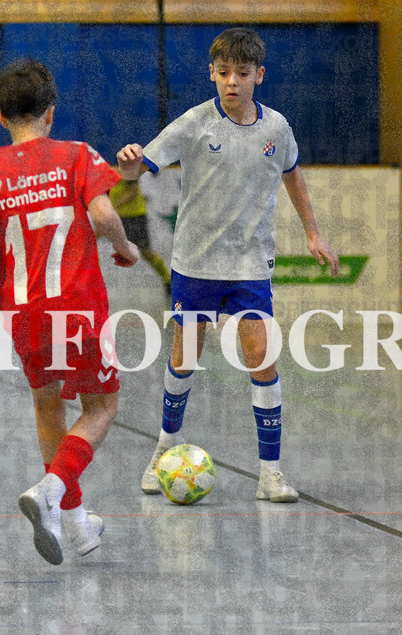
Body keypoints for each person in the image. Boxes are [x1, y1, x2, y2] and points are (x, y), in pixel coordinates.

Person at [117, 28, 339, 503]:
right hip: (196, 264)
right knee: (185, 360)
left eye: (241, 73)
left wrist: (313, 232)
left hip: (250, 266)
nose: (232, 81)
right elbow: (139, 167)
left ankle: (270, 474)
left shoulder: (276, 128)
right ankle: (163, 449)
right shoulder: (194, 124)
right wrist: (129, 162)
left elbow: (293, 175)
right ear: (211, 74)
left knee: (262, 358)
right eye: (223, 73)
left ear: (259, 75)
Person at [0, 59, 139, 566]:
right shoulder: (76, 155)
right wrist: (125, 247)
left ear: (0, 116)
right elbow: (102, 213)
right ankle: (52, 489)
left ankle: (75, 524)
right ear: (51, 113)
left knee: (48, 404)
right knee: (102, 407)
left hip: (23, 315)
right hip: (78, 307)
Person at [109, 178, 172, 295]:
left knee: (146, 252)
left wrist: (113, 207)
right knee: (90, 239)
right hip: (118, 216)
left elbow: (133, 191)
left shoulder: (128, 167)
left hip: (134, 217)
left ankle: (168, 279)